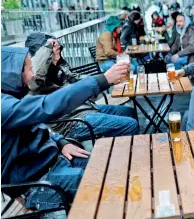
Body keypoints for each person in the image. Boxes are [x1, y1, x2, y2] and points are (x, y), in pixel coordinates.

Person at [1, 46, 130, 211]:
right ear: (10, 75)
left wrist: (61, 142)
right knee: (109, 190)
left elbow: (37, 125)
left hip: (54, 160)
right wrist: (102, 80)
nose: (33, 74)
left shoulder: (13, 98)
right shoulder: (4, 106)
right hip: (37, 182)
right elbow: (47, 106)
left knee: (111, 169)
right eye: (28, 69)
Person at [24, 33, 138, 141]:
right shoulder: (34, 78)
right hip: (71, 123)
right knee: (130, 125)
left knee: (129, 112)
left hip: (85, 109)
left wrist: (109, 79)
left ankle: (117, 148)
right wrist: (48, 45)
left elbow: (78, 79)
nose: (56, 51)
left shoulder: (59, 68)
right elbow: (36, 74)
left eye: (57, 48)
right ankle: (121, 158)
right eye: (52, 50)